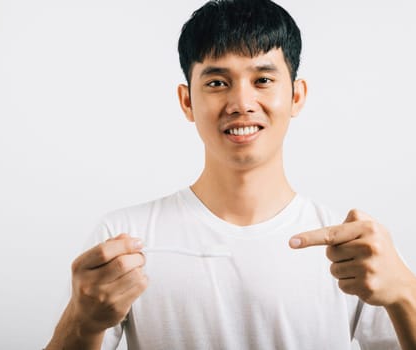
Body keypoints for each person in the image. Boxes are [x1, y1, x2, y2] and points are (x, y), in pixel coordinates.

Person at [46, 0, 416, 349]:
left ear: (297, 96)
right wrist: (83, 322)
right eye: (217, 82)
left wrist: (405, 293)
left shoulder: (356, 249)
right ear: (187, 101)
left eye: (263, 80)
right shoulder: (123, 242)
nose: (241, 103)